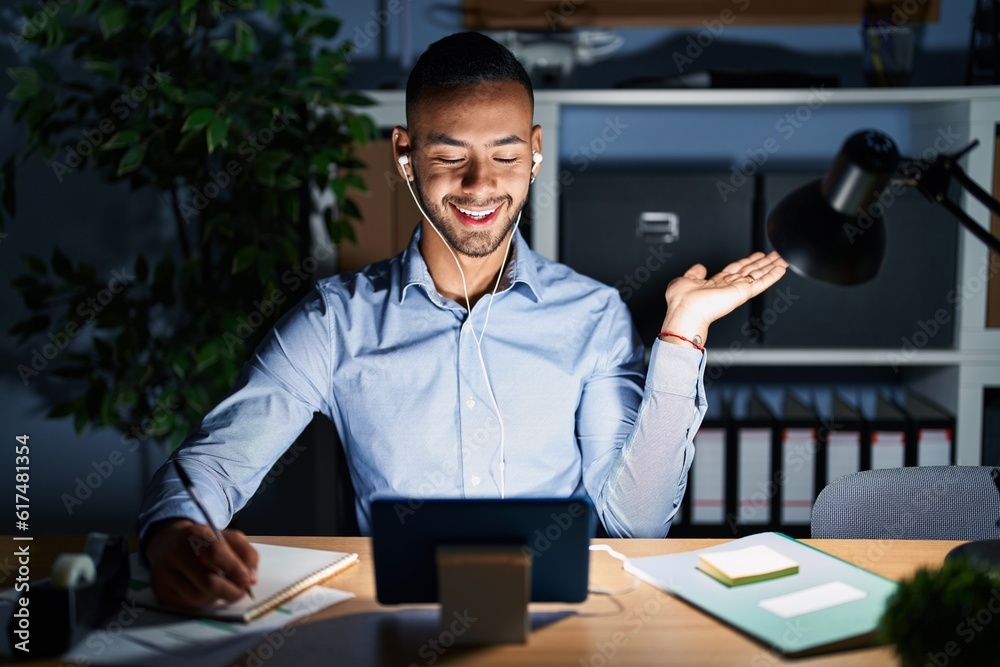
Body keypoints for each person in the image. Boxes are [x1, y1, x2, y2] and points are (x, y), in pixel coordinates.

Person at [137, 32, 788, 609]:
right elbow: (216, 466)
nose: (480, 184)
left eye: (505, 155)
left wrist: (682, 334)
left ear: (534, 152)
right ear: (404, 154)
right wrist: (173, 533)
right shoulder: (336, 320)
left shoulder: (593, 316)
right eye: (451, 155)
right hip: (397, 625)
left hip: (560, 630)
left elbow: (636, 524)